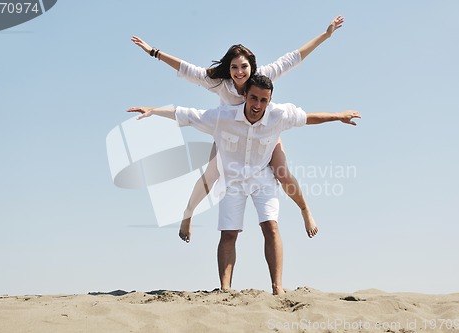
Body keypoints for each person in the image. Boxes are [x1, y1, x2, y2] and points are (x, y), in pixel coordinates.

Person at [127, 74, 361, 295]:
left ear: (269, 101)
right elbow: (187, 115)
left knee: (271, 226)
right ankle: (225, 289)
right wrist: (153, 111)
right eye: (253, 98)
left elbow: (308, 118)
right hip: (233, 180)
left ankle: (278, 286)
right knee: (229, 233)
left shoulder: (279, 115)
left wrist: (338, 116)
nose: (257, 105)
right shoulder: (223, 117)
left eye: (263, 100)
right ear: (245, 96)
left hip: (262, 177)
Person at [131, 16, 345, 243]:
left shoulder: (262, 77)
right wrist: (153, 52)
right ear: (228, 69)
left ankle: (305, 210)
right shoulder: (219, 82)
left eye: (244, 66)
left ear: (251, 66)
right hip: (229, 136)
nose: (239, 72)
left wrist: (326, 35)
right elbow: (186, 69)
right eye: (234, 67)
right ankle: (188, 214)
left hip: (264, 132)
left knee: (282, 173)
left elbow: (294, 58)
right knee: (210, 175)